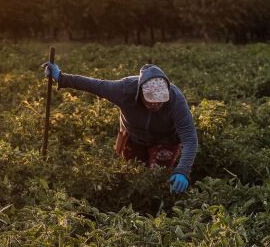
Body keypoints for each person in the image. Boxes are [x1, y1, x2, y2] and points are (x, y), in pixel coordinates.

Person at [43, 60, 198, 193]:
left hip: (165, 140)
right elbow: (95, 85)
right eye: (151, 98)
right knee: (133, 177)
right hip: (133, 137)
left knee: (157, 180)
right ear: (140, 92)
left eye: (160, 99)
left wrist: (183, 170)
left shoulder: (175, 99)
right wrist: (61, 78)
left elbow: (190, 138)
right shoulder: (124, 90)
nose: (156, 103)